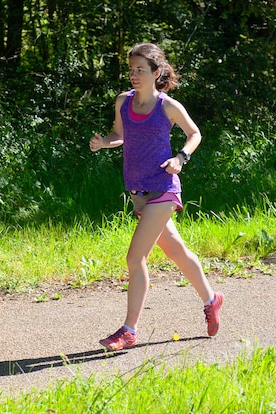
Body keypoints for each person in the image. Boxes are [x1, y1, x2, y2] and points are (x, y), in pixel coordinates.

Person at [89, 42, 224, 351]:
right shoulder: (123, 101)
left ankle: (129, 330)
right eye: (131, 70)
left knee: (135, 257)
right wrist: (103, 143)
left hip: (163, 188)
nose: (134, 75)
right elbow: (120, 135)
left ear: (156, 72)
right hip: (138, 191)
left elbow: (195, 133)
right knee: (176, 251)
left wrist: (181, 158)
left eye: (141, 70)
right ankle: (211, 299)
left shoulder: (168, 106)